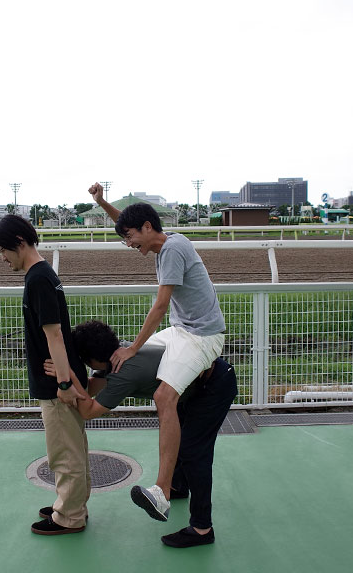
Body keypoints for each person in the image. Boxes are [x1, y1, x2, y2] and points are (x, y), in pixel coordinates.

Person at [88, 182, 226, 523]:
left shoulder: (173, 250)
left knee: (164, 396)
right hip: (182, 330)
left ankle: (161, 493)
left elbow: (161, 305)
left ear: (148, 229)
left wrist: (134, 344)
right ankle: (86, 396)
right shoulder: (162, 239)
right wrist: (103, 202)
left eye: (131, 237)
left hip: (201, 336)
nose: (129, 243)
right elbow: (128, 220)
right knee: (129, 361)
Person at [47, 319, 237, 548]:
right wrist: (67, 377)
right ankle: (178, 486)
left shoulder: (124, 374)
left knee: (194, 453)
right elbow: (93, 387)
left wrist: (66, 374)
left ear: (92, 359)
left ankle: (202, 528)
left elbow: (87, 410)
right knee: (182, 440)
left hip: (213, 387)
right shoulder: (121, 354)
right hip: (194, 388)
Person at [0, 214, 90, 536]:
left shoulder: (38, 279)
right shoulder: (44, 274)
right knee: (72, 447)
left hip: (57, 385)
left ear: (19, 243)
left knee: (64, 452)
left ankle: (69, 516)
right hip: (60, 378)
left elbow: (54, 334)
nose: (1, 257)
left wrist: (63, 383)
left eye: (3, 250)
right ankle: (72, 504)